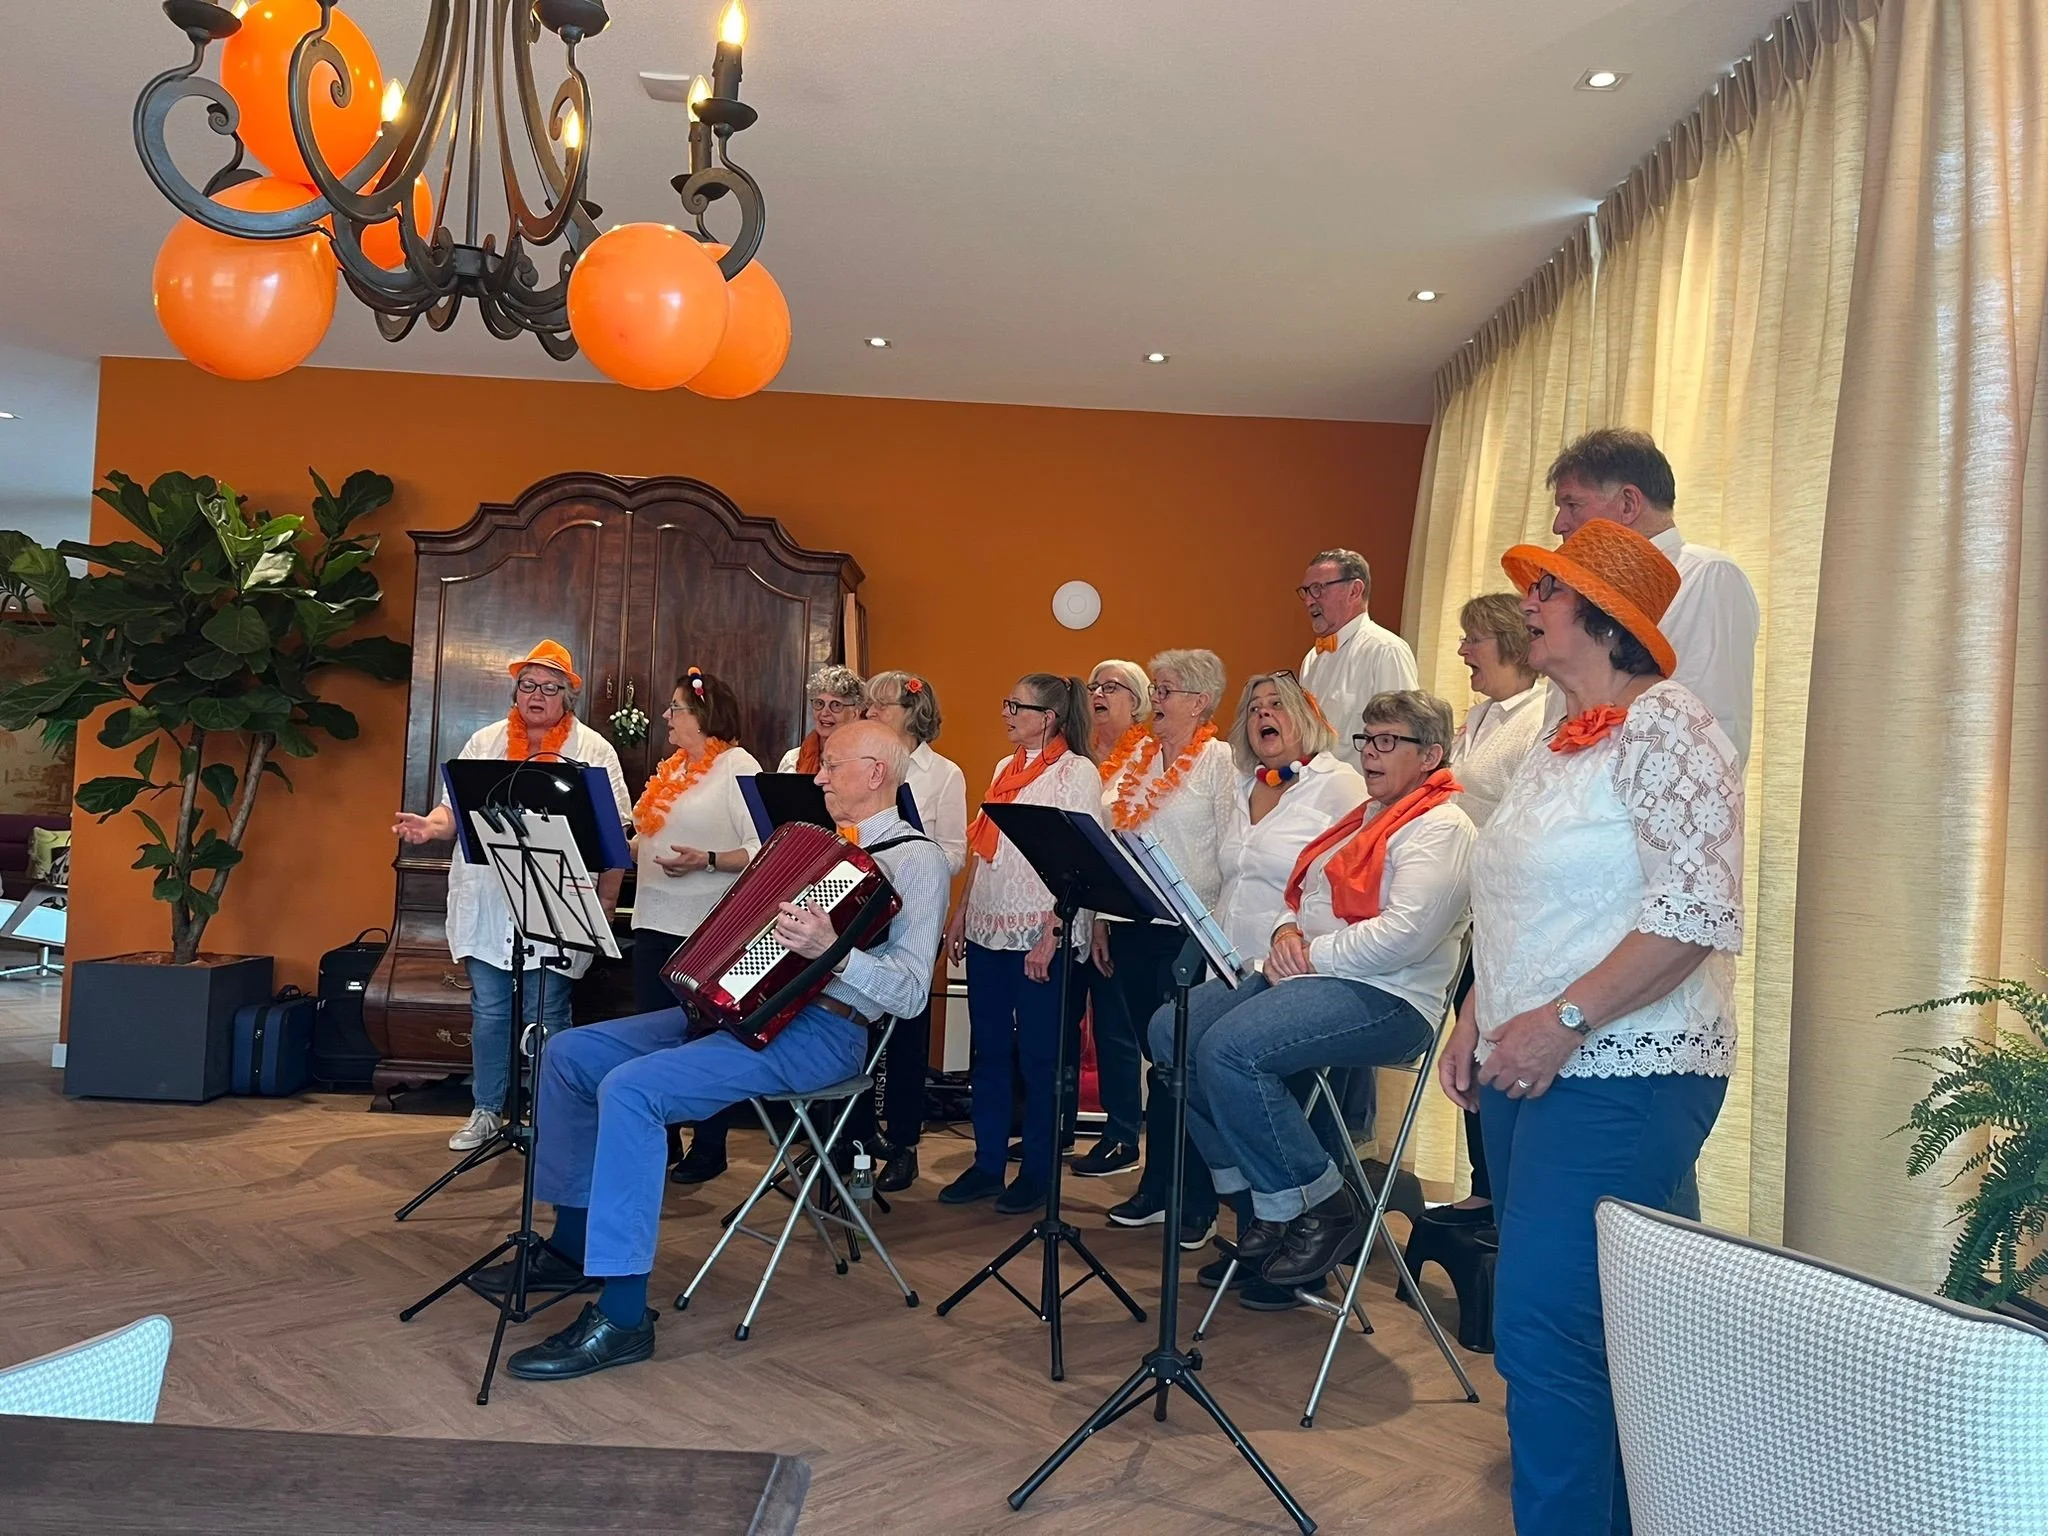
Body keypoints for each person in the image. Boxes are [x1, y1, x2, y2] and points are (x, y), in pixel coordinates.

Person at [1440, 520, 1743, 1533]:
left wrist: (1560, 1020)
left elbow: (1696, 910)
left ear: (1604, 620)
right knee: (1591, 1329)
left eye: (1546, 592)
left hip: (1624, 1069)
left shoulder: (1669, 723)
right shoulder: (1550, 744)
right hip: (1528, 1065)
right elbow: (1516, 899)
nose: (1524, 606)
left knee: (1543, 1329)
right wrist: (1478, 1010)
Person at [498, 719, 950, 1383]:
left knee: (632, 1089)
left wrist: (834, 953)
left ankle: (622, 1317)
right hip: (742, 1012)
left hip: (825, 1033)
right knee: (569, 1054)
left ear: (875, 773)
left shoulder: (916, 860)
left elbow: (910, 996)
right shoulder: (814, 845)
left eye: (832, 766)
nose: (817, 776)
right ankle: (569, 1249)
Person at [1158, 688, 1472, 1291]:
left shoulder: (1443, 826)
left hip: (1389, 998)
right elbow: (1298, 894)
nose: (1370, 754)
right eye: (1366, 739)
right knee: (1170, 1031)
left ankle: (1321, 1206)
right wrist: (1283, 930)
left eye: (1387, 742)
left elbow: (1403, 938)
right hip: (1315, 972)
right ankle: (1260, 1206)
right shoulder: (1364, 817)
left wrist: (1307, 955)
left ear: (1431, 754)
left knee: (1228, 1050)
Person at [393, 640, 631, 1153]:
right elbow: (451, 811)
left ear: (568, 696)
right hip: (490, 901)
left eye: (549, 687)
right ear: (516, 691)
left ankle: (552, 1118)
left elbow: (617, 838)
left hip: (559, 901)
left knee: (548, 1013)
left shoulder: (594, 750)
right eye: (528, 685)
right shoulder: (485, 740)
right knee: (491, 1012)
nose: (536, 695)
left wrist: (605, 907)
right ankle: (485, 1110)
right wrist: (429, 829)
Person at [1195, 670, 1368, 1309]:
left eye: (1278, 705)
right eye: (1255, 707)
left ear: (1307, 715)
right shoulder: (1244, 786)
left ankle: (1306, 1248)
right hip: (1231, 961)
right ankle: (1257, 1222)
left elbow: (1345, 884)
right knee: (1173, 1039)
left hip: (1290, 969)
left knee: (1246, 1070)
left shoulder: (1339, 784)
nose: (1264, 714)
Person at [1090, 649, 1236, 1250]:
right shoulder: (1138, 757)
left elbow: (1235, 852)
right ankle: (1156, 1188)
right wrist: (1100, 917)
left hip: (1188, 930)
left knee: (1185, 1065)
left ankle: (1195, 1199)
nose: (1156, 702)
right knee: (1158, 1063)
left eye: (1166, 692)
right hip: (1132, 925)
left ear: (1199, 702)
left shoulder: (1219, 760)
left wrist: (1220, 940)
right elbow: (1113, 837)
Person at [939, 675, 1100, 1214]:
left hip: (1039, 935)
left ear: (1049, 716)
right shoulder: (1004, 769)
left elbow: (1079, 864)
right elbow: (987, 852)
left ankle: (1036, 1173)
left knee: (1039, 1060)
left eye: (1016, 705)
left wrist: (1051, 936)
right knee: (988, 1053)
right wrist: (961, 912)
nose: (1006, 712)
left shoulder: (1076, 774)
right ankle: (987, 1165)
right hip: (988, 929)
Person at [1424, 593, 1545, 1229]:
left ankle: (1500, 1191)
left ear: (1512, 644)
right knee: (1467, 1047)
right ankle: (1484, 1183)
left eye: (1475, 639)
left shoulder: (1538, 719)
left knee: (1492, 1044)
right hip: (1464, 909)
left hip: (1507, 913)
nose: (1466, 651)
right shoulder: (1479, 717)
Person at [625, 668, 763, 1189]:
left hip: (706, 927)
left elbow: (763, 848)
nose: (666, 715)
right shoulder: (672, 769)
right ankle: (661, 1142)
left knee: (702, 1037)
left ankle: (710, 1146)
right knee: (652, 1034)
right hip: (653, 917)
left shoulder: (737, 766)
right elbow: (652, 831)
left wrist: (706, 859)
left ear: (704, 716)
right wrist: (634, 846)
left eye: (676, 708)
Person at [1547, 427, 1760, 763]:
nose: (1559, 525)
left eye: (1572, 504)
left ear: (1629, 503)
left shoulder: (1705, 576)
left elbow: (1710, 731)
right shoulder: (1585, 591)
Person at [854, 669, 968, 1191]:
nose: (870, 714)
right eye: (869, 706)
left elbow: (954, 853)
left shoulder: (943, 773)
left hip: (909, 915)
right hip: (854, 911)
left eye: (882, 706)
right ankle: (853, 1139)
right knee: (854, 1023)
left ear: (913, 712)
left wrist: (907, 856)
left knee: (905, 1030)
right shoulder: (856, 762)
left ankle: (903, 1141)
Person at [1297, 548, 1419, 774]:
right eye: (1306, 591)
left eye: (1318, 589)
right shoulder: (1312, 658)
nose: (1309, 601)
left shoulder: (1385, 650)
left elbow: (1402, 739)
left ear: (1355, 590)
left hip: (1364, 799)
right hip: (1314, 795)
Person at [779, 664, 865, 773]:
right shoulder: (792, 759)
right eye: (819, 703)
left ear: (855, 713)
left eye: (836, 705)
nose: (824, 712)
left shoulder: (865, 759)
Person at [1086, 658, 1151, 762]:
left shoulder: (1150, 756)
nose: (1097, 693)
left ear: (1135, 702)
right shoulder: (1078, 752)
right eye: (1093, 688)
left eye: (1110, 687)